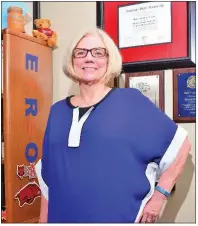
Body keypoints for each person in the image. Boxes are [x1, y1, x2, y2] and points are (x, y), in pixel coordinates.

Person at [35, 27, 191, 223]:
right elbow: (47, 177)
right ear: (72, 61)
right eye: (80, 52)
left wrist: (159, 197)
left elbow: (181, 145)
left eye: (98, 52)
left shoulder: (131, 101)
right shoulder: (57, 111)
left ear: (109, 61)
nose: (89, 58)